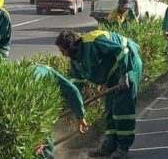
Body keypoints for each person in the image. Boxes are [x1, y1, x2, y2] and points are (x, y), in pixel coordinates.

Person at [55, 30, 142, 159]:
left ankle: (123, 148)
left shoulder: (93, 41)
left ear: (71, 46)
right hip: (113, 76)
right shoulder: (75, 61)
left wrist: (125, 75)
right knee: (110, 111)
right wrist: (75, 106)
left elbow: (121, 50)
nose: (63, 55)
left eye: (63, 51)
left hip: (129, 66)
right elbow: (75, 86)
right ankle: (110, 146)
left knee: (122, 111)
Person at [33, 64, 88, 159]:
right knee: (42, 136)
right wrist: (80, 117)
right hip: (34, 104)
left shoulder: (35, 71)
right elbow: (73, 91)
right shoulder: (49, 72)